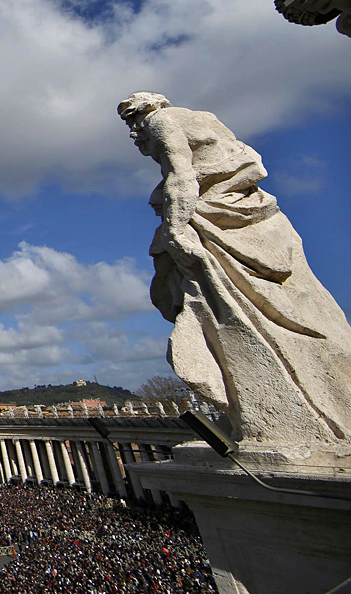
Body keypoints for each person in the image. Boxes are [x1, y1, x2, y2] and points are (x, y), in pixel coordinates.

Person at [119, 92, 351, 445]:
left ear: (146, 112)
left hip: (214, 220)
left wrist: (176, 229)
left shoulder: (161, 121)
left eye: (132, 120)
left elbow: (181, 177)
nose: (134, 133)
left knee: (227, 311)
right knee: (299, 309)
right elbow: (251, 160)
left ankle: (279, 415)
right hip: (255, 215)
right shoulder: (206, 118)